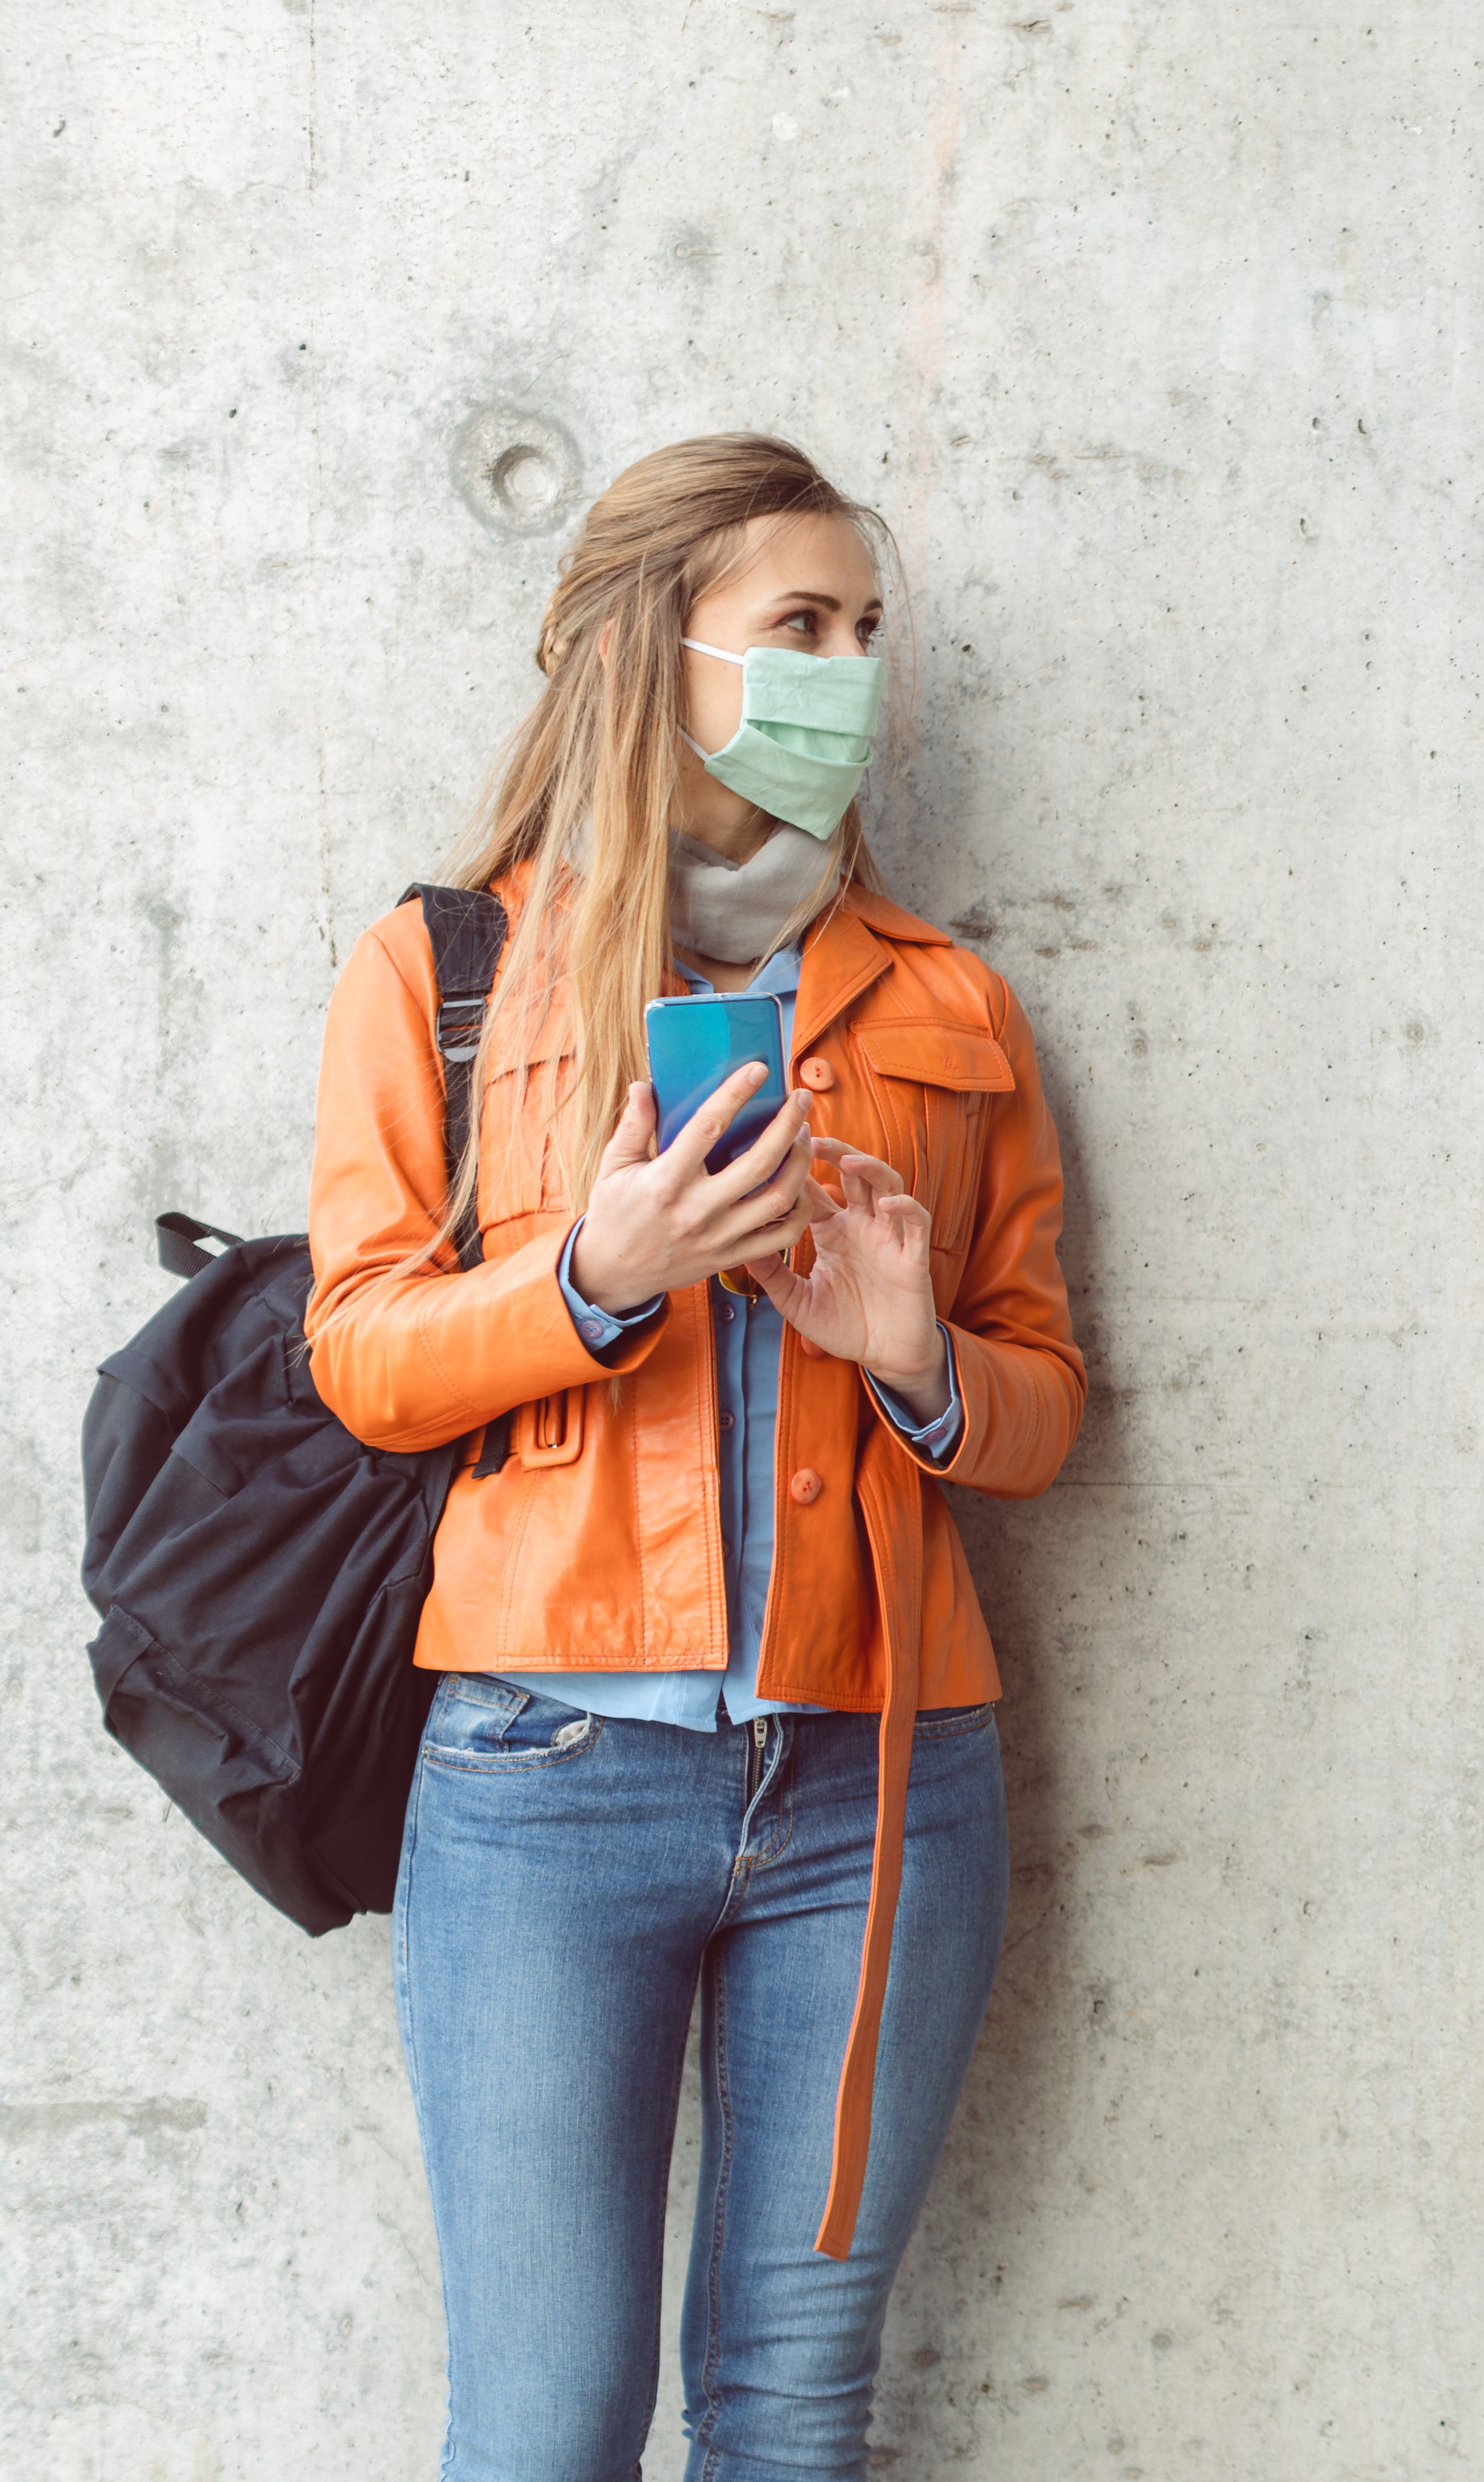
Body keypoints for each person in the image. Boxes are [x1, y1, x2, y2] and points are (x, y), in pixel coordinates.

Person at [302, 431, 1085, 2481]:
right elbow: (362, 1358)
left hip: (886, 1780)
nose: (851, 671)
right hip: (549, 1780)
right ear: (653, 652)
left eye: (868, 629)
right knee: (548, 2422)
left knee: (793, 2411)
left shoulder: (948, 1005)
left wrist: (916, 1358)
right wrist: (596, 1276)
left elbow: (1041, 1402)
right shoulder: (447, 974)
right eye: (799, 624)